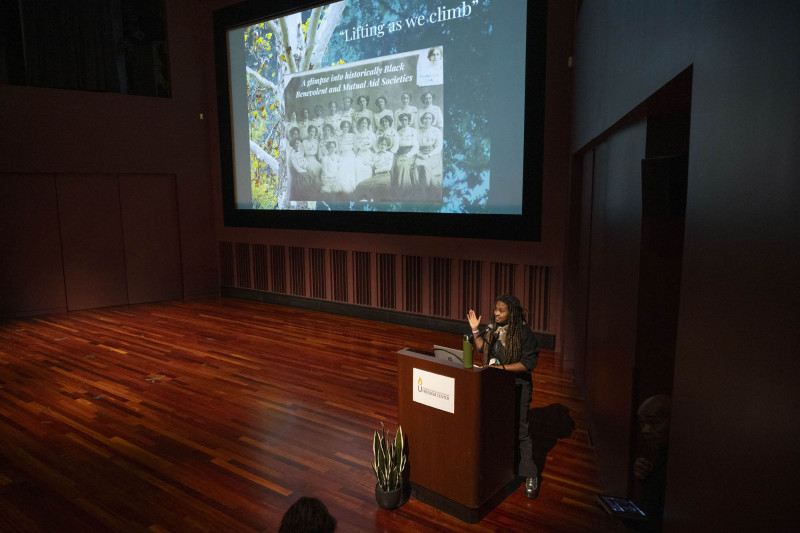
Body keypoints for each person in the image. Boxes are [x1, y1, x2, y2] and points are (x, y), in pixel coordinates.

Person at [467, 294, 541, 499]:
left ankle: (530, 474)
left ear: (512, 313)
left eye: (501, 310)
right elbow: (482, 347)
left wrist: (499, 368)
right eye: (496, 309)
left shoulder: (524, 333)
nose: (496, 313)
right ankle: (504, 473)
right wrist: (475, 329)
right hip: (496, 385)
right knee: (500, 429)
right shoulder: (493, 328)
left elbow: (528, 364)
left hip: (518, 385)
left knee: (521, 430)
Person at [632, 394, 671, 532]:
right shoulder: (661, 455)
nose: (645, 430)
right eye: (642, 424)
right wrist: (646, 477)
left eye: (653, 423)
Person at [415, 111, 443, 191]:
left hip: (433, 154)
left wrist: (429, 155)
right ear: (422, 120)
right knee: (417, 165)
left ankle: (429, 189)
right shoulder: (418, 132)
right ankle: (420, 189)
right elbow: (416, 146)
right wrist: (418, 154)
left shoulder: (436, 131)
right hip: (421, 154)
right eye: (425, 118)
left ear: (432, 120)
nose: (427, 120)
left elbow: (439, 146)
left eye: (429, 118)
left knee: (426, 166)